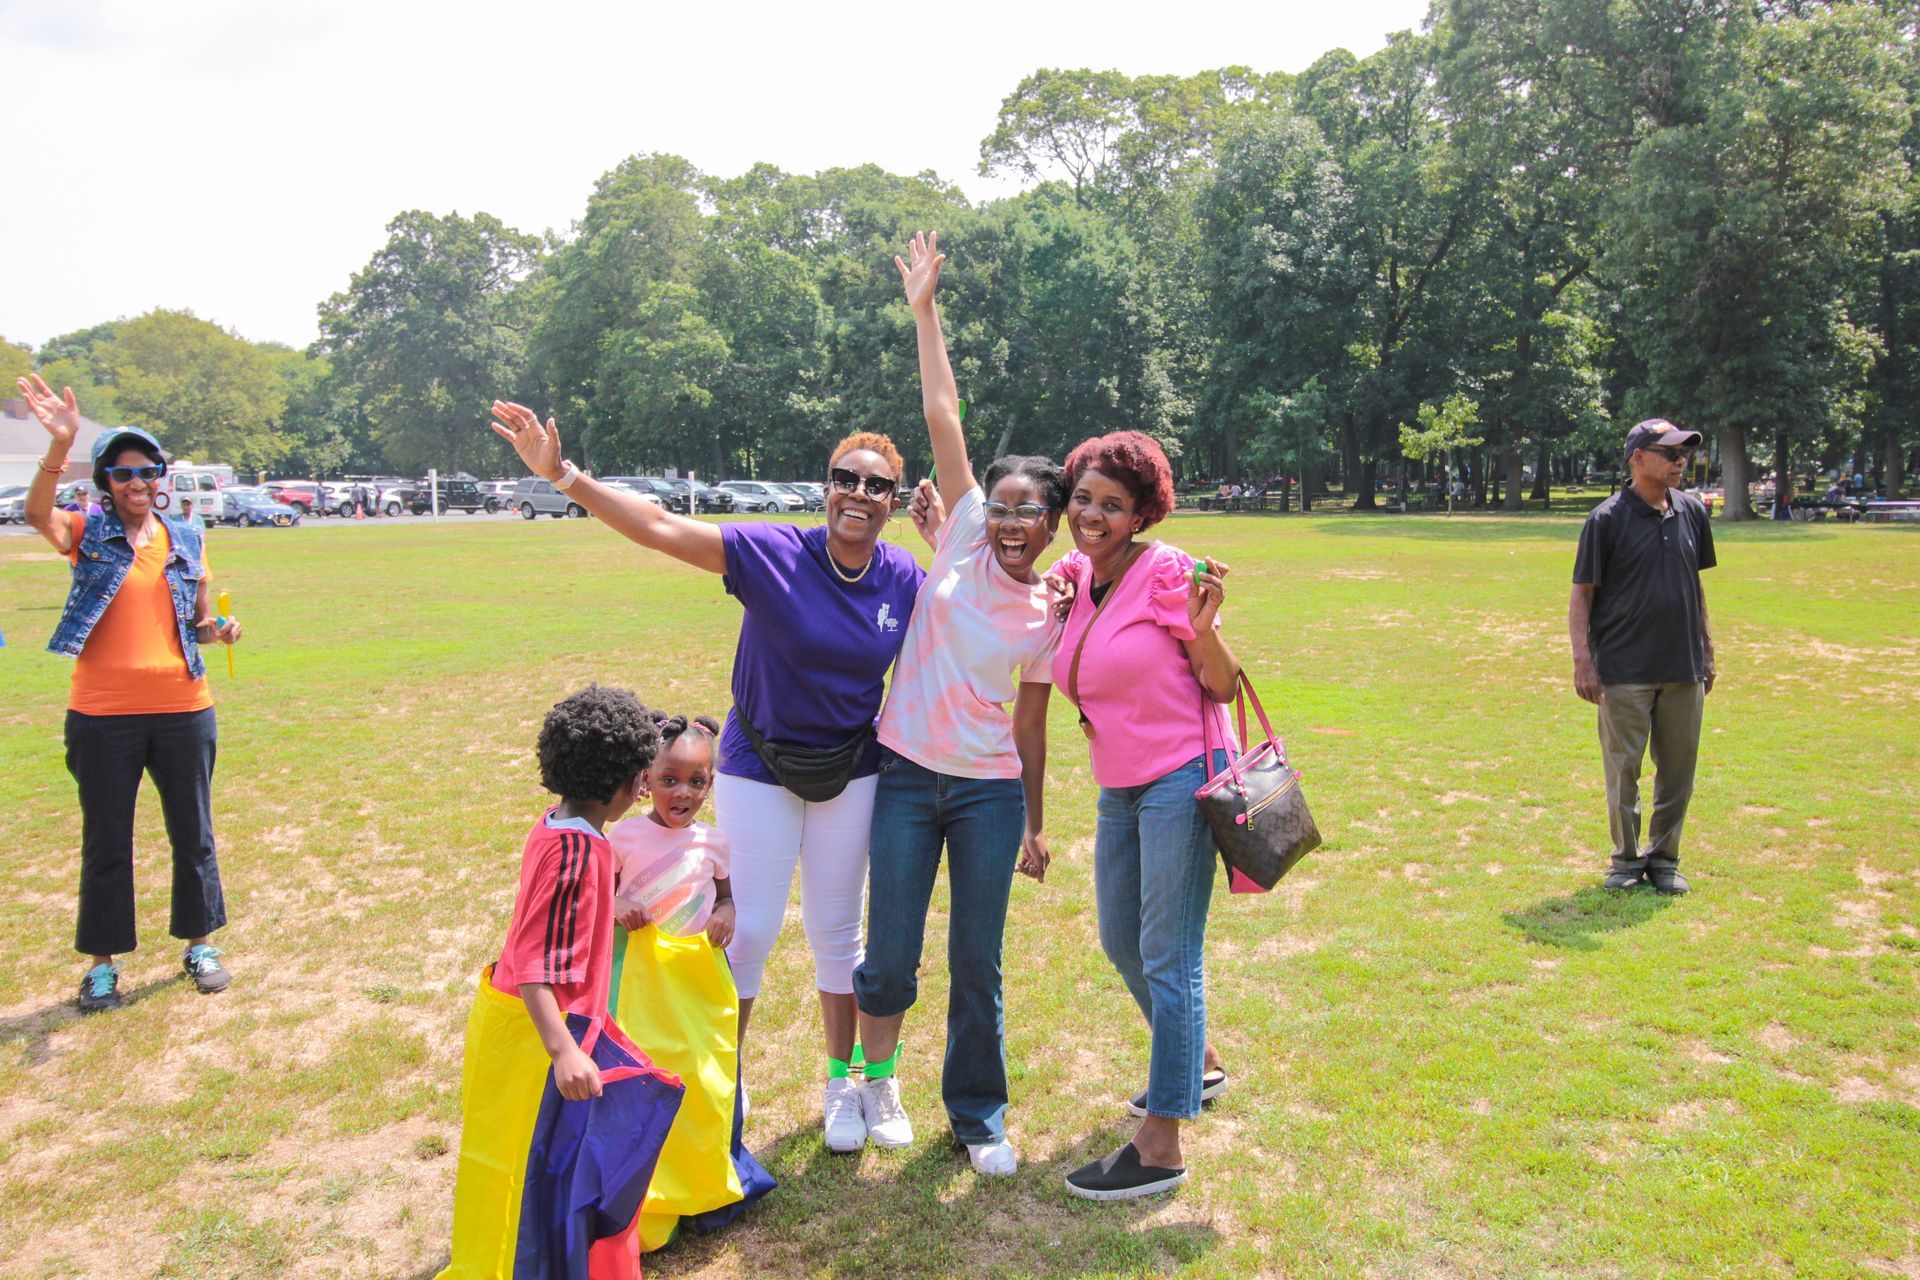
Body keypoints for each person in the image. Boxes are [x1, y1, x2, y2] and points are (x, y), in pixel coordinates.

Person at [489, 396, 924, 1154]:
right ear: (826, 486)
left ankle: (844, 1085)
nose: (859, 493)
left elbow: (965, 619)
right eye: (845, 478)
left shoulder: (902, 578)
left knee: (837, 934)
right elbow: (660, 528)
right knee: (745, 929)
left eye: (877, 485)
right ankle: (727, 1074)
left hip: (849, 770)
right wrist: (564, 475)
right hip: (760, 765)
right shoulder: (773, 551)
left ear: (894, 499)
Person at [849, 233, 1063, 1176]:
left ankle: (978, 1116)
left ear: (1052, 524)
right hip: (905, 776)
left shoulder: (1056, 608)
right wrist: (925, 309)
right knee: (890, 956)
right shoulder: (966, 536)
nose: (1012, 522)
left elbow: (1033, 723)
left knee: (979, 962)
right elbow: (943, 412)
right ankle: (868, 1080)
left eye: (1030, 513)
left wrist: (1035, 822)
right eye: (1004, 506)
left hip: (987, 793)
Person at [1048, 429, 1241, 1201]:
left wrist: (1205, 624)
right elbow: (1033, 570)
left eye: (1112, 506)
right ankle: (1195, 1063)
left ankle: (1161, 1144)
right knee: (1119, 938)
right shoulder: (1077, 572)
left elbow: (1223, 687)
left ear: (1142, 514)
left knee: (1168, 951)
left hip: (1181, 778)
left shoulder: (1166, 570)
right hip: (1118, 781)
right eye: (1083, 499)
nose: (1091, 515)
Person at [439, 685, 684, 1280]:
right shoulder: (577, 855)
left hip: (547, 1027)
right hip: (539, 1038)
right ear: (630, 785)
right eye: (645, 775)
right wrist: (564, 1051)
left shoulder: (560, 822)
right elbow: (535, 965)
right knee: (538, 1167)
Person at [17, 374, 243, 1011]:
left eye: (150, 472)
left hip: (183, 712)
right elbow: (36, 515)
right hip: (102, 716)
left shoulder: (187, 539)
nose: (140, 483)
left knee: (193, 833)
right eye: (124, 474)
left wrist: (221, 631)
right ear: (104, 483)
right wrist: (58, 443)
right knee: (107, 839)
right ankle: (102, 965)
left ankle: (199, 944)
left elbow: (197, 621)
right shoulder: (86, 532)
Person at [607, 713, 773, 1251]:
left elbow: (723, 896)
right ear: (645, 780)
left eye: (697, 781)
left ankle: (708, 1184)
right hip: (645, 987)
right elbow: (601, 898)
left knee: (705, 1074)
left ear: (711, 782)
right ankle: (650, 1190)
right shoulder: (623, 838)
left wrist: (727, 912)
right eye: (670, 779)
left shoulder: (714, 842)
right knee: (650, 1074)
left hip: (700, 984)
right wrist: (621, 902)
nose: (683, 792)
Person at [1569, 419, 1718, 895]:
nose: (1681, 461)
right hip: (1624, 670)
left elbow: (1694, 585)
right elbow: (1582, 596)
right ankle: (1627, 861)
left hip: (1683, 666)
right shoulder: (1606, 519)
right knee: (1624, 770)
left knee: (1679, 770)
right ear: (1638, 458)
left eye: (1684, 453)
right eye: (1670, 452)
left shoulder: (1692, 511)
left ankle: (1666, 860)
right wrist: (1584, 661)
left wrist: (1707, 649)